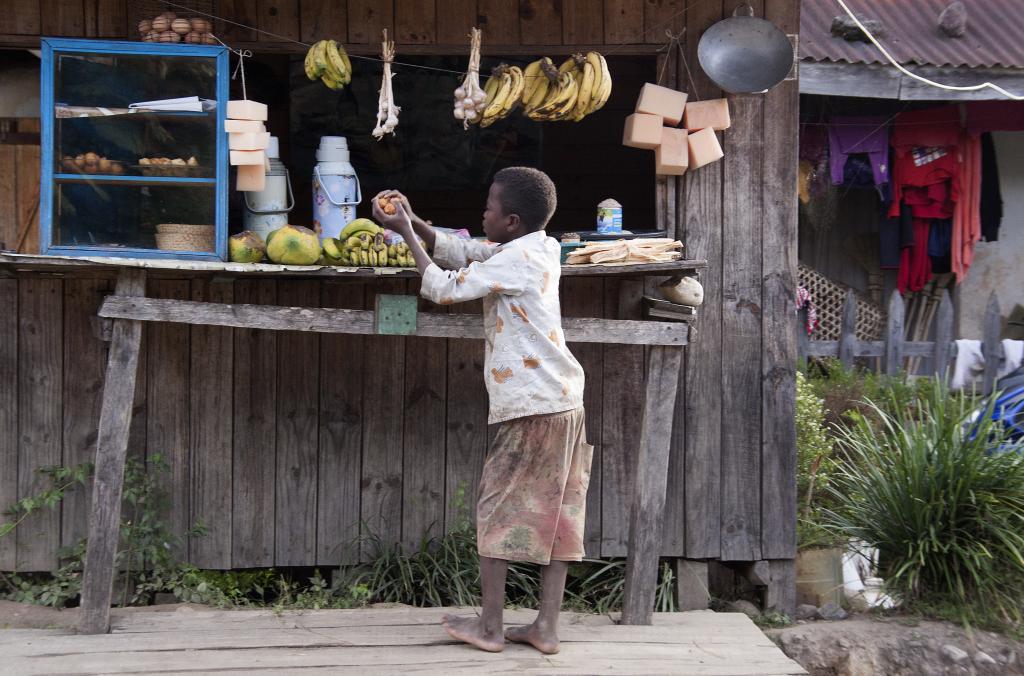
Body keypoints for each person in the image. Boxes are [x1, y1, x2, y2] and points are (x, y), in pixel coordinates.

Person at [371, 167, 591, 655]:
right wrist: (419, 224)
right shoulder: (539, 247)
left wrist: (405, 233)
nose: (482, 213)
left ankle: (491, 628)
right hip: (564, 404)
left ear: (511, 220)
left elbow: (444, 287)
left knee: (496, 508)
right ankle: (545, 628)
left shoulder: (515, 262)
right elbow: (474, 252)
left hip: (531, 408)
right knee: (558, 516)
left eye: (489, 208)